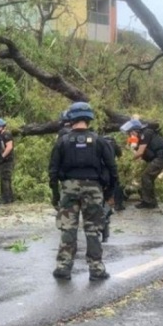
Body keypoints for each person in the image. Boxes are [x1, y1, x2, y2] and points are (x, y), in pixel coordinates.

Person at [48, 102, 118, 281]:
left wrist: (55, 193)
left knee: (68, 228)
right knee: (93, 229)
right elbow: (112, 169)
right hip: (94, 189)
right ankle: (96, 269)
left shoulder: (62, 141)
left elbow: (53, 170)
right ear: (89, 118)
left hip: (69, 188)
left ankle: (63, 267)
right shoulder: (99, 141)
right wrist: (109, 193)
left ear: (71, 118)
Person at [120, 118, 163, 209]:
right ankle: (151, 202)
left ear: (135, 131)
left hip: (161, 157)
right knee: (149, 177)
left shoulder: (146, 133)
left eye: (130, 133)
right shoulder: (140, 137)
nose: (130, 135)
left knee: (146, 176)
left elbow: (140, 152)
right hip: (157, 157)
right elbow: (140, 154)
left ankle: (148, 202)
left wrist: (128, 160)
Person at [0, 118, 15, 204]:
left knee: (5, 179)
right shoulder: (0, 135)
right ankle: (9, 197)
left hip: (7, 160)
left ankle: (6, 198)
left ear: (0, 127)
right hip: (4, 160)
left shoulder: (6, 134)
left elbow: (9, 147)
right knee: (5, 178)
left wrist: (2, 156)